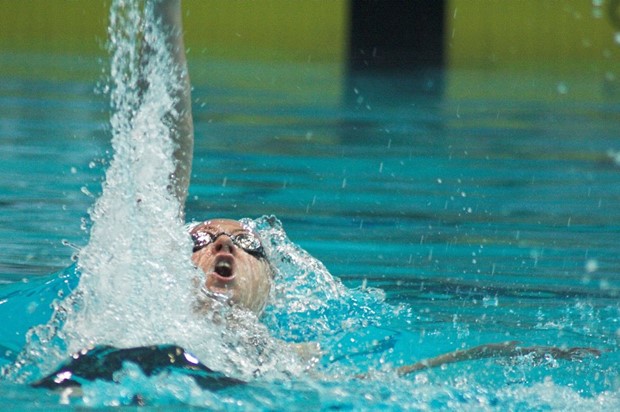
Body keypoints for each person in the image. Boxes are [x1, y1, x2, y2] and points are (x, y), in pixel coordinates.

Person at [156, 0, 600, 375]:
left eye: (245, 241)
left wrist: (503, 352)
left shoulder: (293, 366)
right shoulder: (143, 318)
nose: (223, 247)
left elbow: (401, 380)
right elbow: (163, 158)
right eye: (200, 238)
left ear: (271, 285)